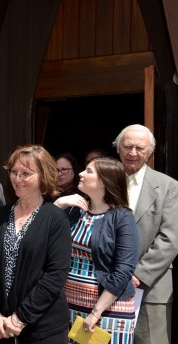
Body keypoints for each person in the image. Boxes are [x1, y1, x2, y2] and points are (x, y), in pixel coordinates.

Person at [0, 145, 71, 343]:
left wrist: (20, 318)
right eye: (14, 172)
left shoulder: (56, 219)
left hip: (42, 330)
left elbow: (56, 275)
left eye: (26, 173)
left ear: (43, 176)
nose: (17, 179)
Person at [54, 158, 139, 342]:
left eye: (89, 171)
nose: (81, 174)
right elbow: (43, 240)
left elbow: (124, 270)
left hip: (107, 310)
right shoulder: (74, 210)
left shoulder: (122, 217)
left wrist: (96, 312)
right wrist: (58, 205)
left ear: (104, 181)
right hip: (70, 304)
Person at [112, 124, 178, 344]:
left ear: (150, 152)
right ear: (118, 148)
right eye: (127, 146)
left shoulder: (168, 186)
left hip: (151, 288)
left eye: (139, 148)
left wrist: (137, 275)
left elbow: (170, 240)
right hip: (105, 286)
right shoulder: (105, 181)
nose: (133, 153)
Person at [55, 153, 82, 223]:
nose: (59, 174)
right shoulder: (49, 195)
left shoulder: (83, 194)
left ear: (74, 170)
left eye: (64, 169)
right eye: (56, 170)